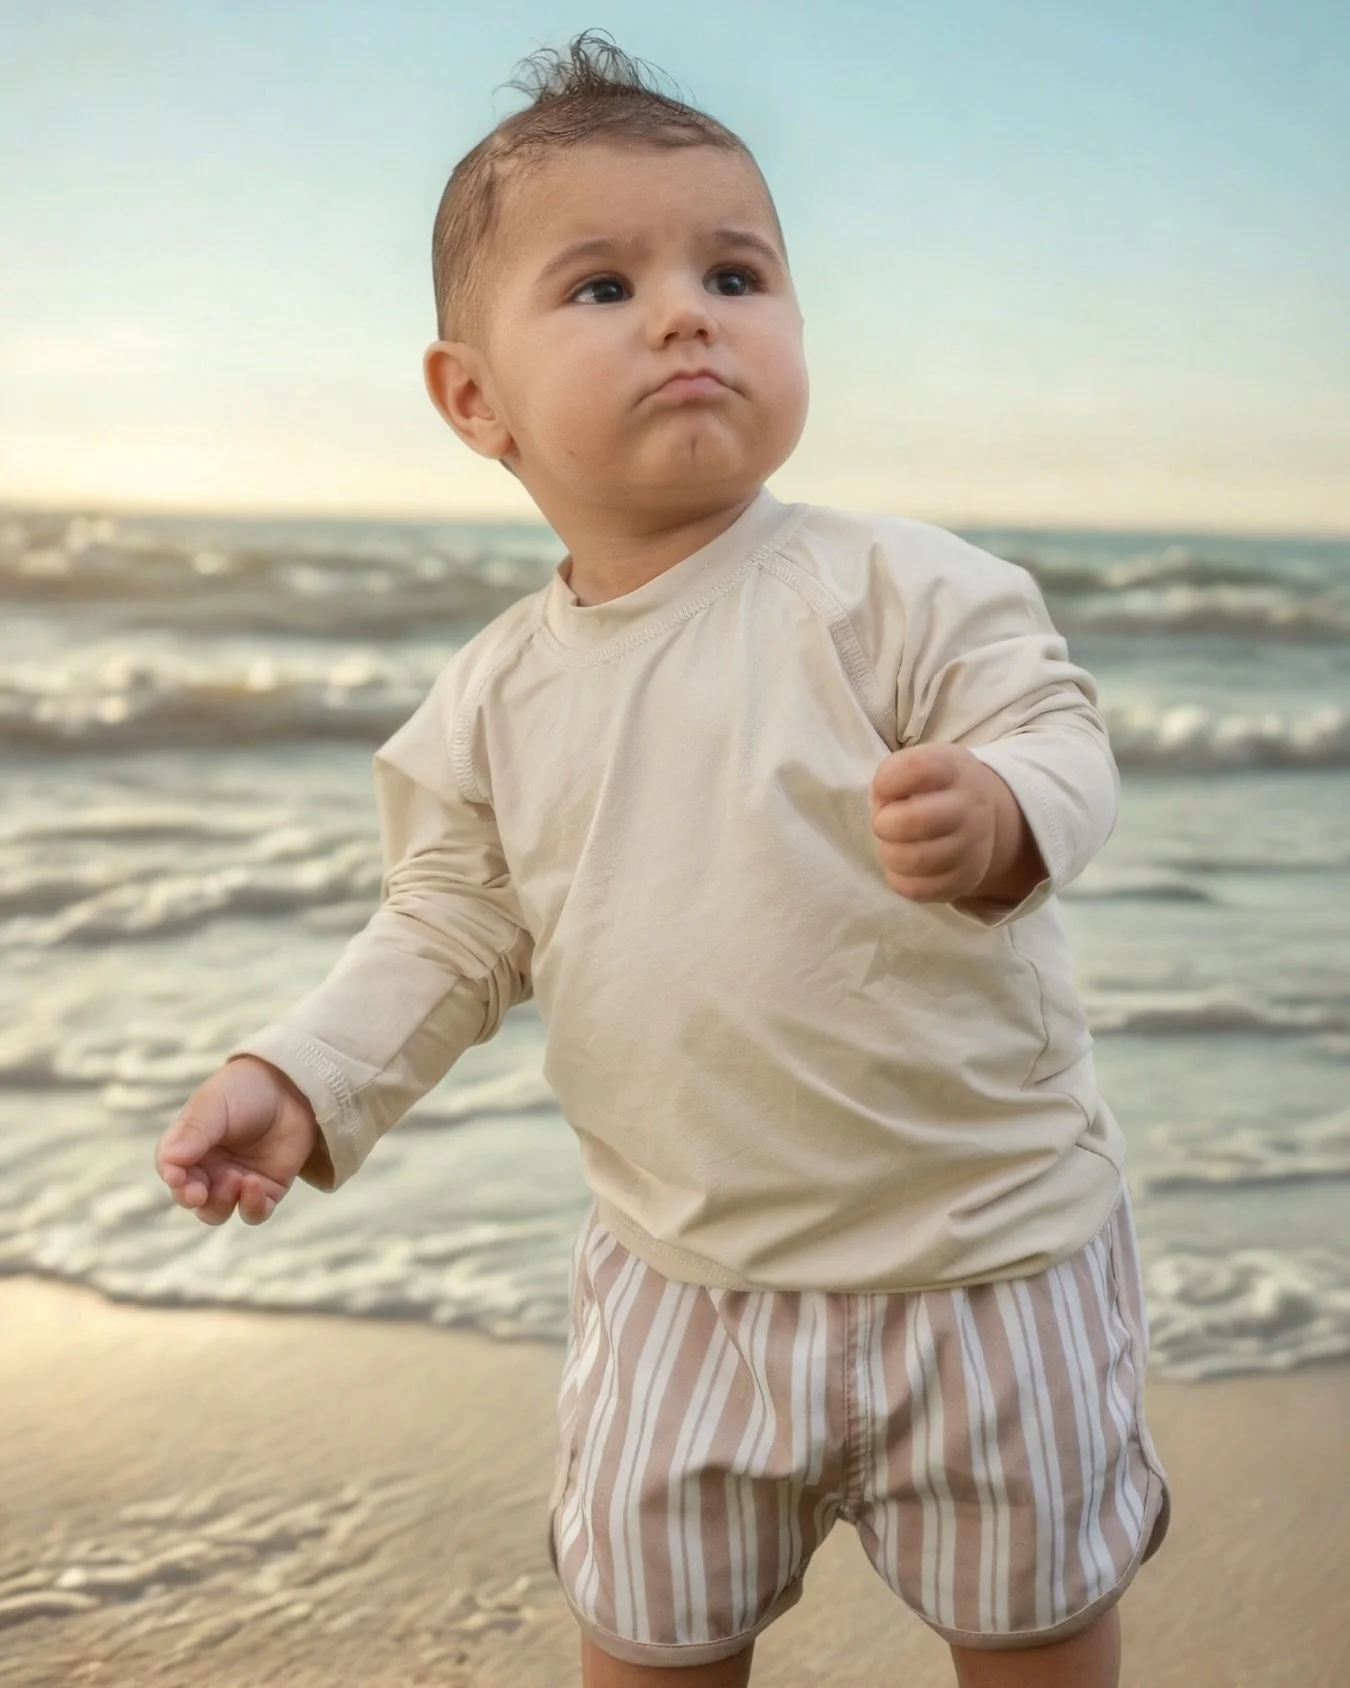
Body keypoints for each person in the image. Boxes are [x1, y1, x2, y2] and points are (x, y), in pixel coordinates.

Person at [154, 31, 1169, 1688]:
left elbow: (1055, 726)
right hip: (681, 1280)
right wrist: (305, 1075)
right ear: (470, 399)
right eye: (602, 287)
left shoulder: (901, 586)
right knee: (645, 1639)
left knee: (1037, 1624)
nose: (687, 310)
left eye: (734, 270)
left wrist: (998, 805)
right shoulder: (495, 691)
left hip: (985, 1253)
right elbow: (452, 921)